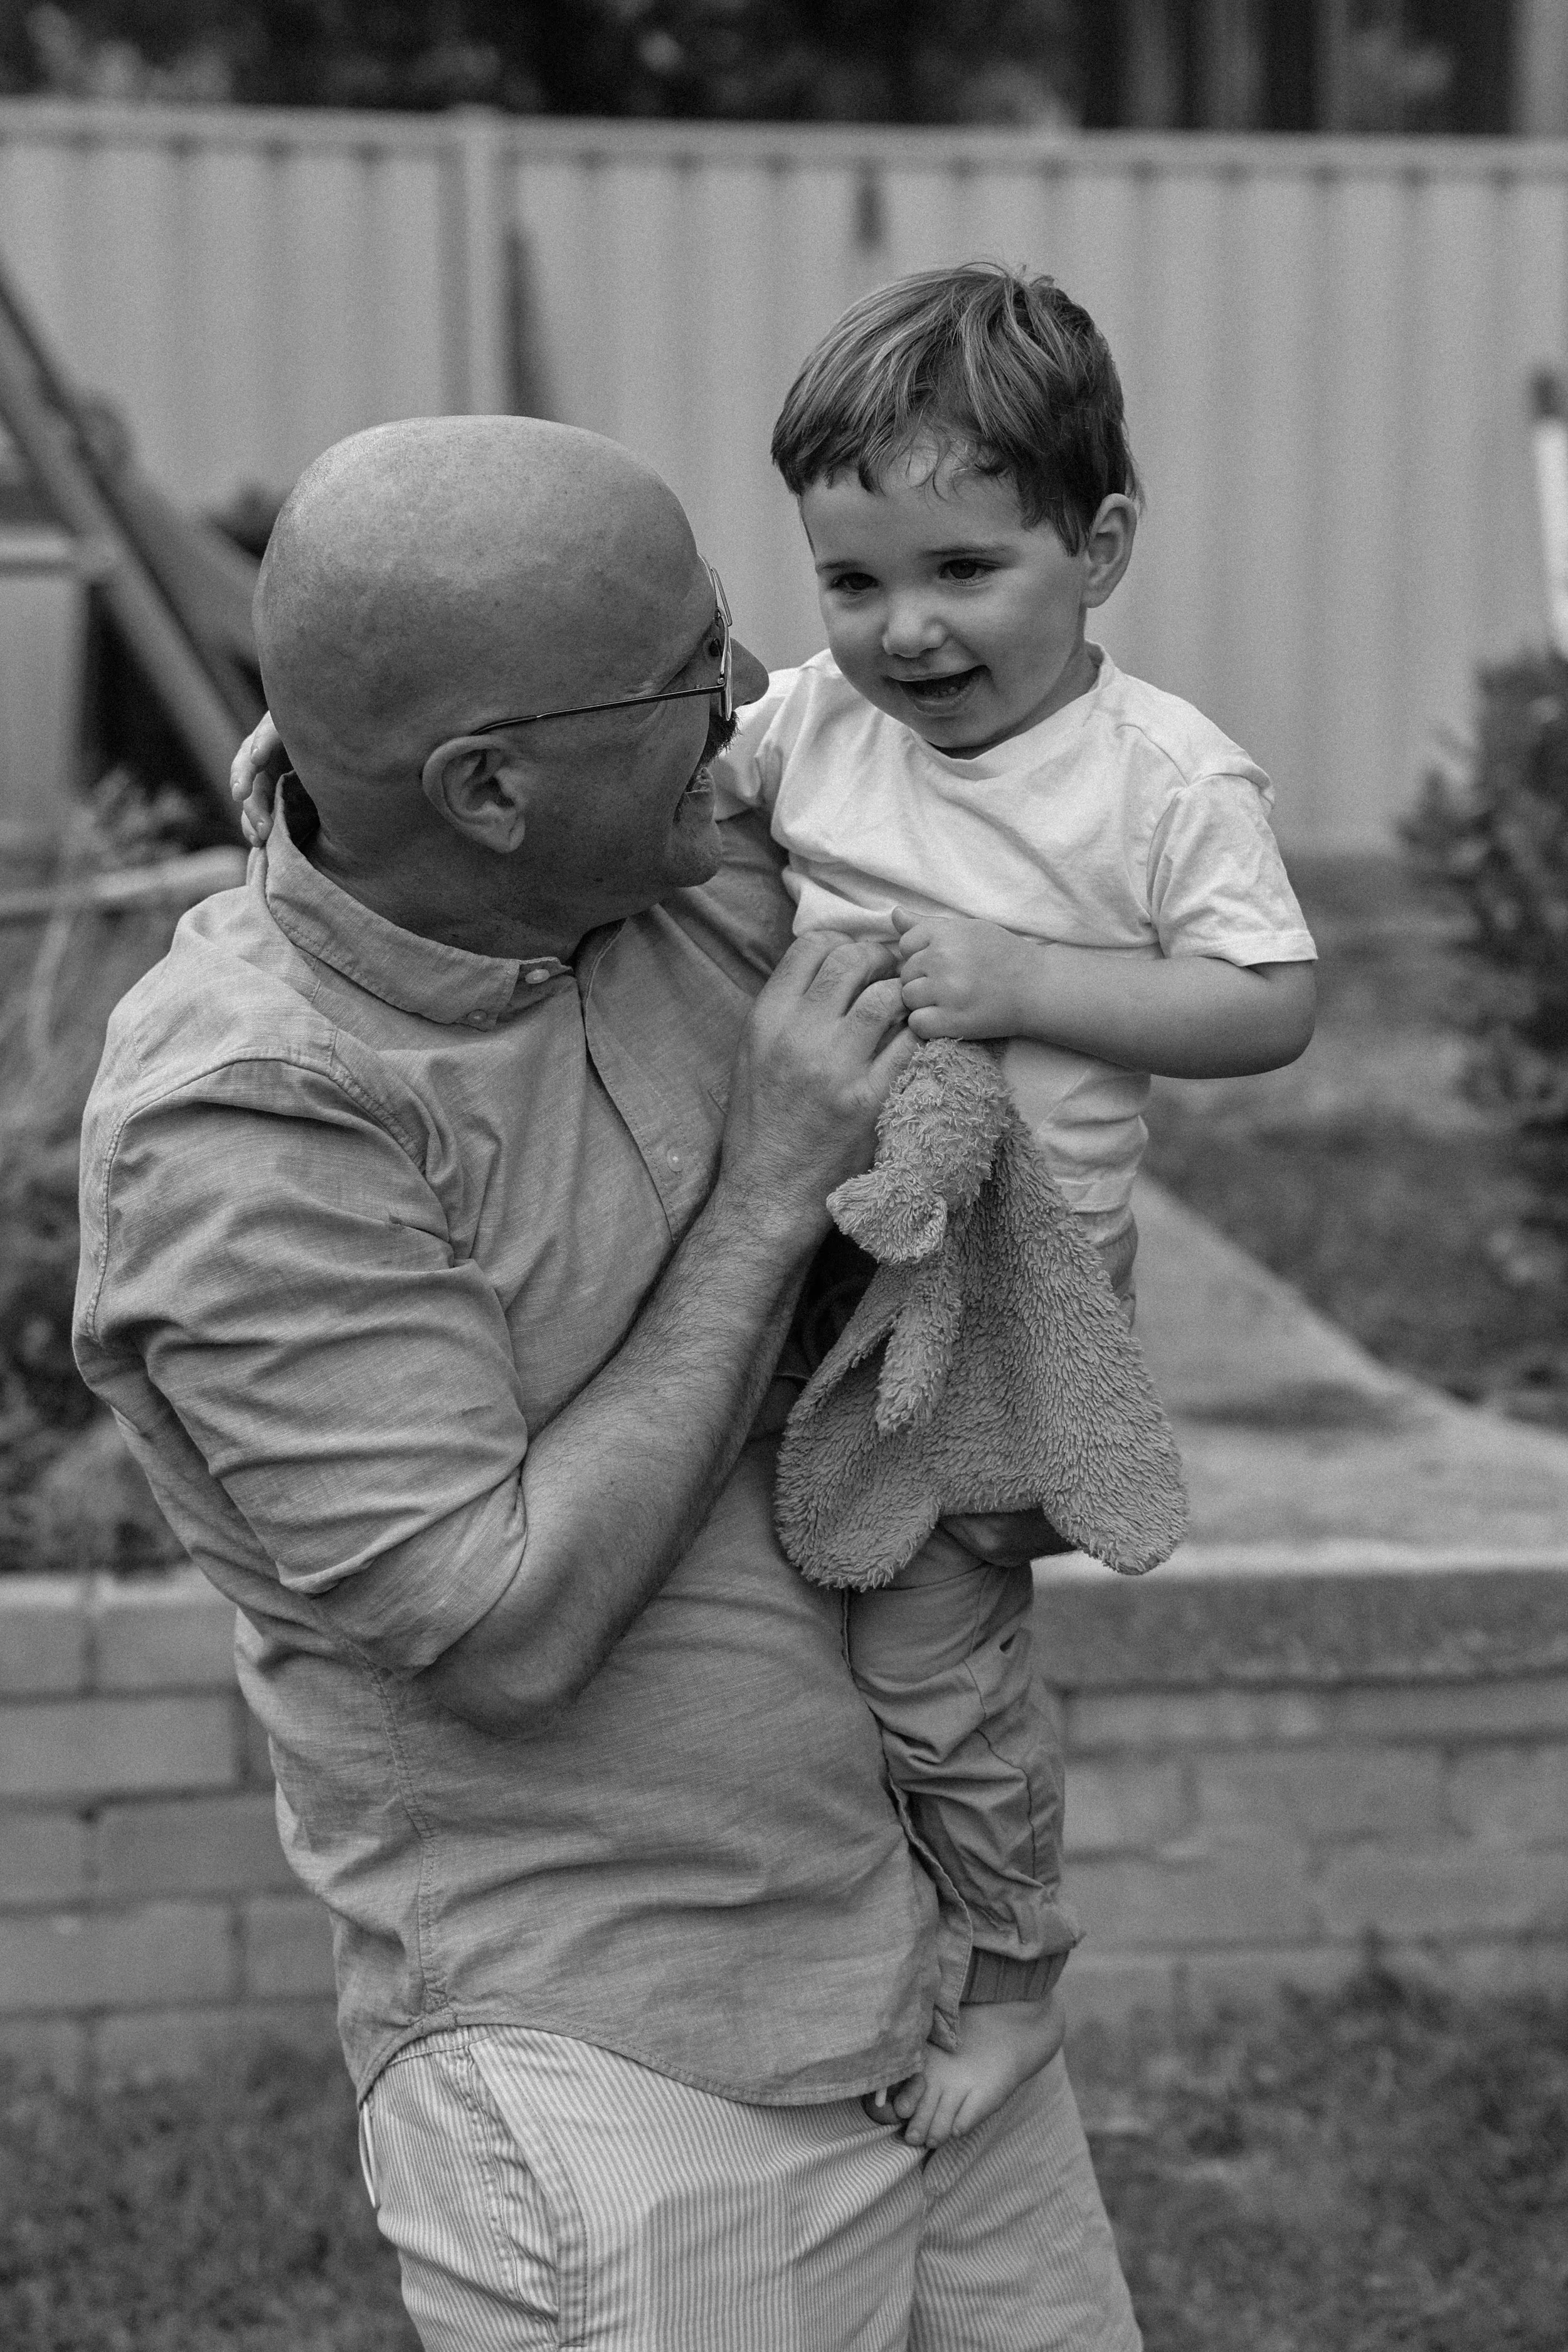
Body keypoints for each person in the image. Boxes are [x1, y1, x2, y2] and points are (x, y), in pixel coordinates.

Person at [76, 411, 1143, 2351]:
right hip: (622, 2075)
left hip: (917, 1979)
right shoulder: (247, 1118)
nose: (744, 697)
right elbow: (501, 1628)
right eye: (685, 671)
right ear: (489, 787)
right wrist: (767, 1184)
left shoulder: (668, 871)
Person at [703, 261, 1318, 2143]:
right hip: (808, 1234)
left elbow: (1268, 1003)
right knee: (753, 1603)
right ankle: (830, 1923)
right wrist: (352, 760)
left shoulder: (1156, 779)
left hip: (1003, 1284)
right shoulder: (811, 722)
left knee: (929, 1649)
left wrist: (1029, 981)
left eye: (963, 571)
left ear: (1099, 543)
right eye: (854, 581)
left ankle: (1013, 1963)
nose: (903, 632)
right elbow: (652, 804)